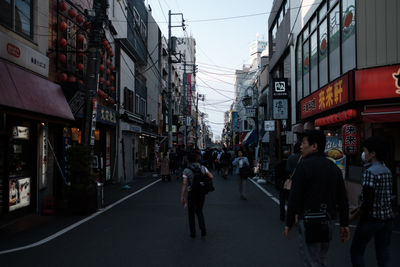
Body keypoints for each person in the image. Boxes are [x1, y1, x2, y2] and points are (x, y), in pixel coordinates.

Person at [284, 130, 350, 267]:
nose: (301, 146)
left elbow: (294, 197)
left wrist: (288, 222)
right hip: (328, 219)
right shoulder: (333, 167)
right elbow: (343, 198)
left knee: (310, 259)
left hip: (308, 219)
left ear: (314, 146)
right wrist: (344, 224)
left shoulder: (303, 167)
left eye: (303, 143)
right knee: (321, 257)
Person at [350, 136, 393, 267]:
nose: (364, 154)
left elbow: (368, 200)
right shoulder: (387, 170)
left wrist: (355, 215)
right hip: (387, 219)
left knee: (356, 251)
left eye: (365, 150)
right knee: (383, 254)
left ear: (373, 153)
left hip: (371, 219)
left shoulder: (370, 172)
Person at [181, 151, 214, 238]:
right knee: (199, 210)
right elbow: (211, 176)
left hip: (191, 192)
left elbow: (184, 183)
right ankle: (203, 228)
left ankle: (193, 232)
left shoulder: (186, 170)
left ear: (188, 160)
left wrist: (182, 196)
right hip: (201, 191)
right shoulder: (203, 168)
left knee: (191, 212)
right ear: (197, 159)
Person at [274, 150, 290, 221]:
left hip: (281, 183)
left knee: (282, 201)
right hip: (289, 183)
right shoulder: (289, 164)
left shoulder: (278, 164)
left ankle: (282, 215)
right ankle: (289, 215)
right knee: (289, 200)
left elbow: (276, 175)